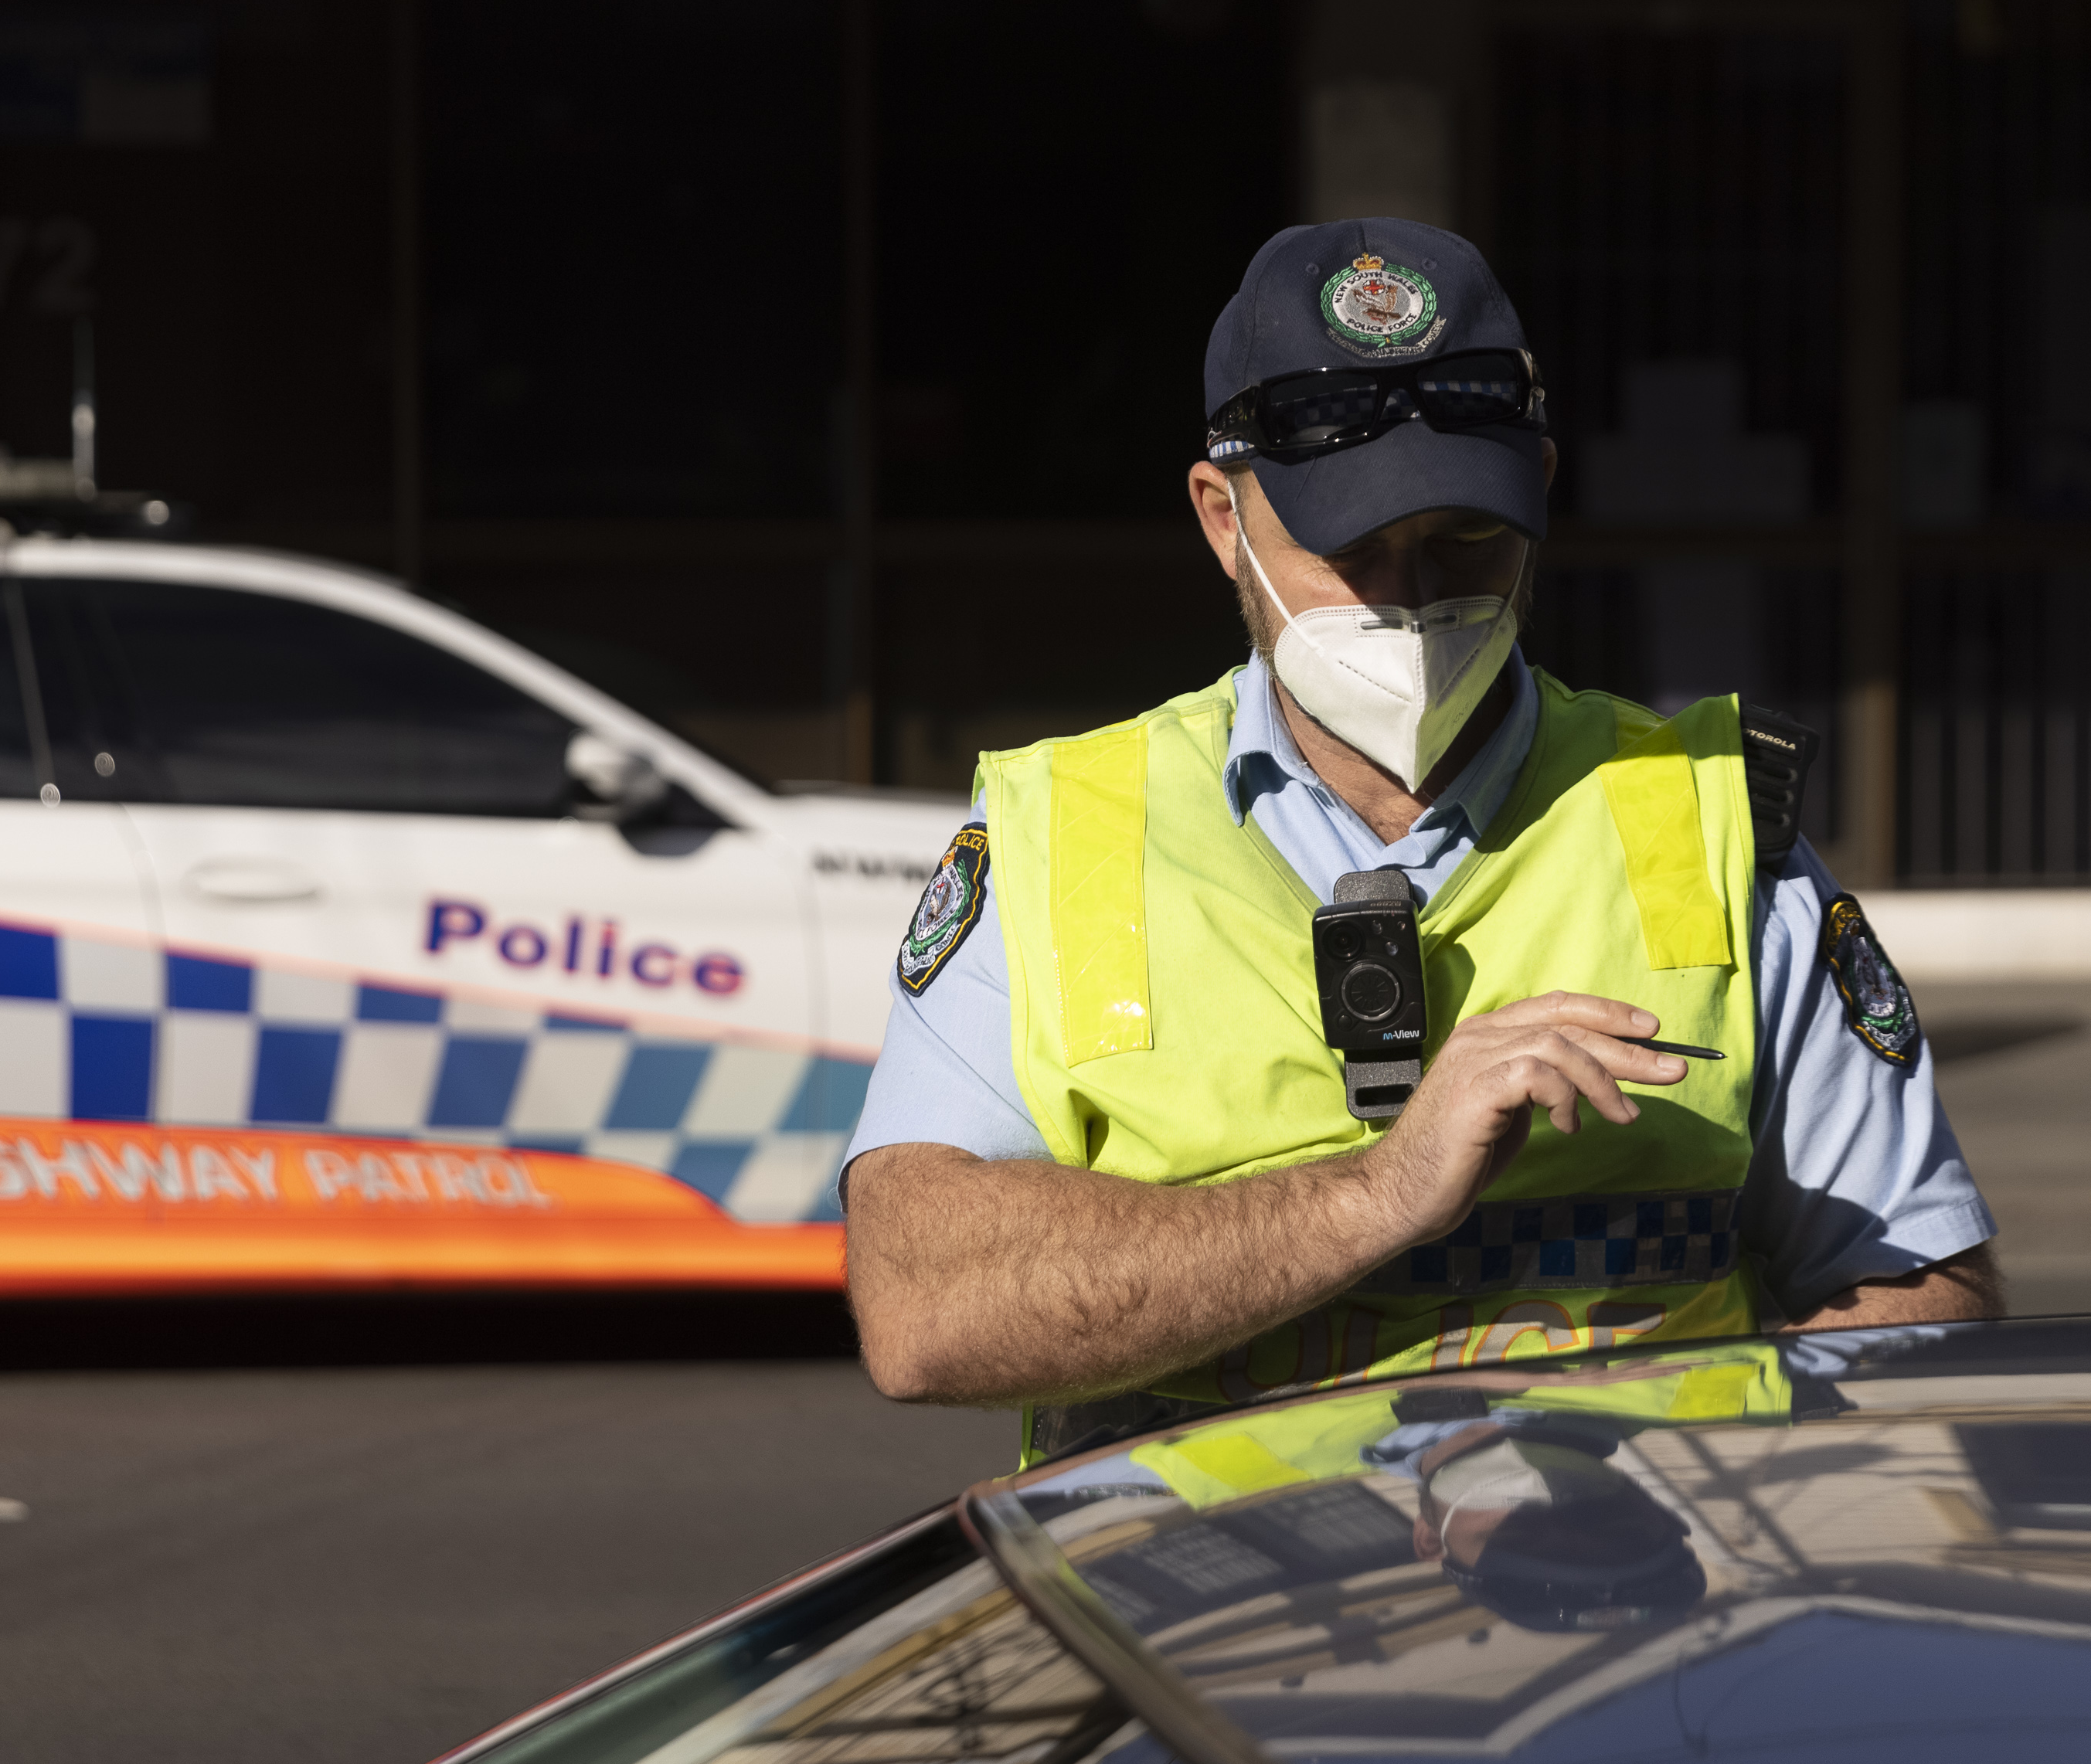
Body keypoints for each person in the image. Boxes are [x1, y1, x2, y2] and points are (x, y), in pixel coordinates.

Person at [839, 217, 2002, 1463]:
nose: (1411, 593)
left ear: (1540, 489)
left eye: (1464, 536)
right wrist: (1379, 1193)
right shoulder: (1058, 832)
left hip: (1634, 1622)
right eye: (1352, 547)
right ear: (1224, 519)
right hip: (1204, 1637)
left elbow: (1920, 1301)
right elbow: (919, 1305)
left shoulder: (1713, 820)